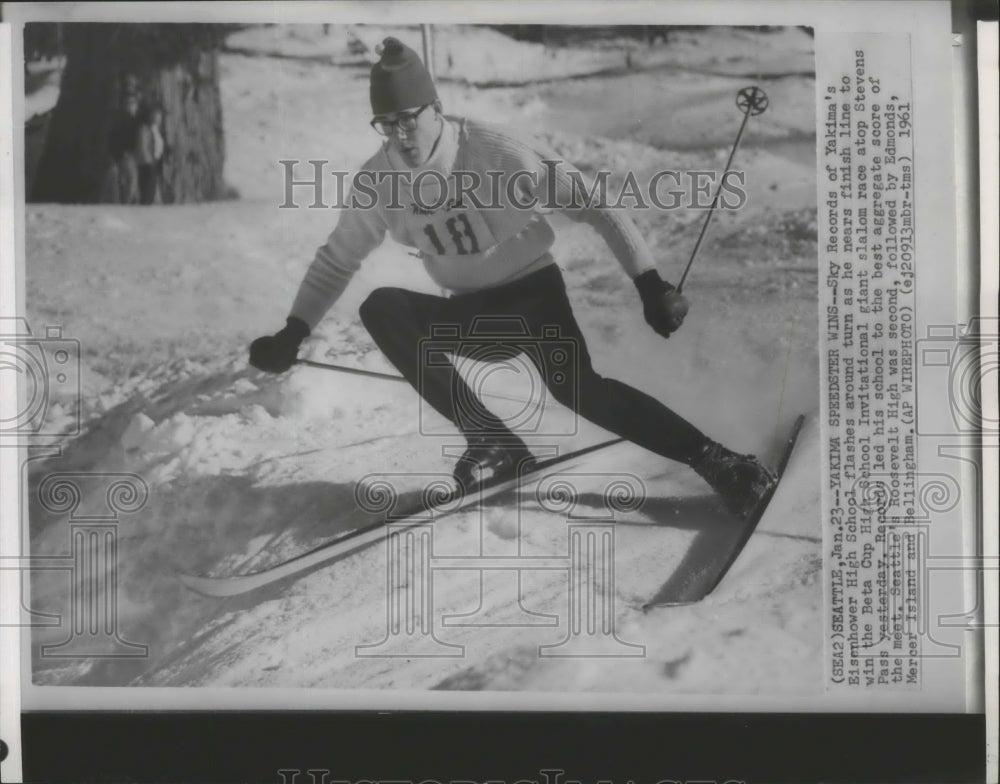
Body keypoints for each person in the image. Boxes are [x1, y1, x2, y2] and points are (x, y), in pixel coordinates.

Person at [250, 37, 775, 519]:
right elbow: (336, 260)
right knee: (383, 307)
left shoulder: (494, 152)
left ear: (435, 109)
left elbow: (592, 204)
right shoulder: (379, 181)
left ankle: (723, 463)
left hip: (533, 299)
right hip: (474, 315)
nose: (400, 135)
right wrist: (294, 331)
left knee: (581, 394)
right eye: (386, 125)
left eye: (408, 119)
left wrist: (650, 285)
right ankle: (493, 442)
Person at [135, 103, 166, 205]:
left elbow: (158, 144)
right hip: (147, 163)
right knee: (147, 190)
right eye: (157, 116)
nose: (159, 119)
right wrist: (149, 160)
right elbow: (143, 146)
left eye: (160, 116)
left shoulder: (155, 129)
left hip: (154, 161)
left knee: (151, 190)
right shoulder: (145, 129)